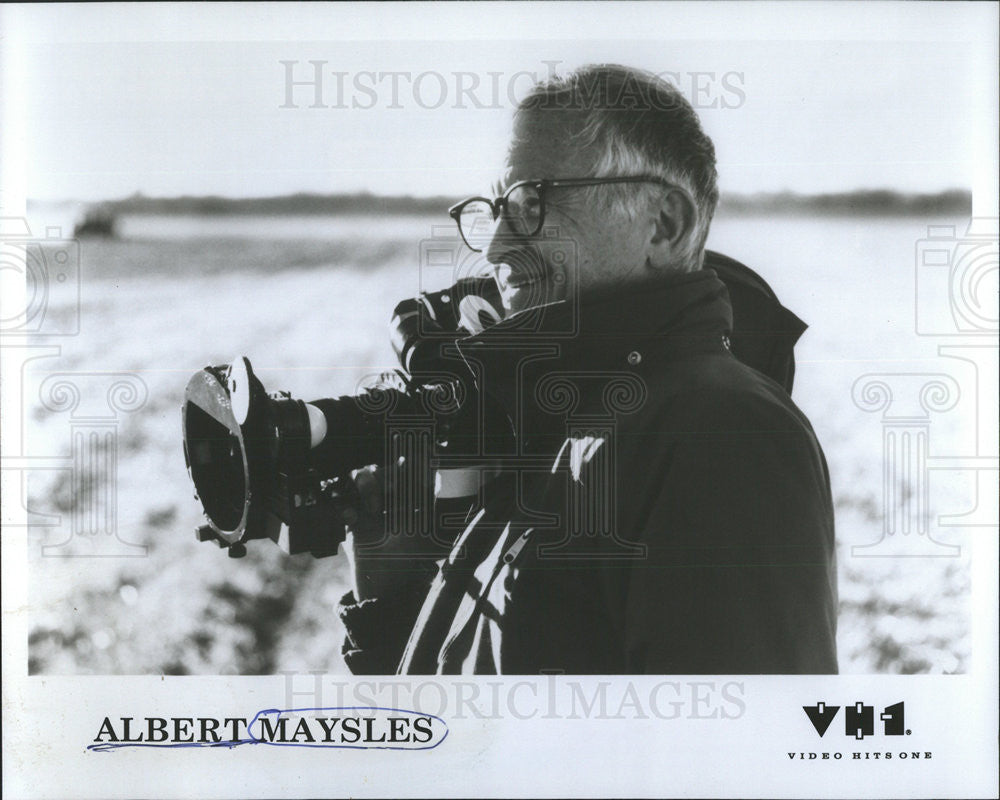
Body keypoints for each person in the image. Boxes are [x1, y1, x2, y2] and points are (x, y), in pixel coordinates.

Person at [309, 64, 838, 674]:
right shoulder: (558, 423)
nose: (494, 246)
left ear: (664, 225)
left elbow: (738, 754)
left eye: (532, 203)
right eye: (497, 208)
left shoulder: (720, 434)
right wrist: (395, 587)